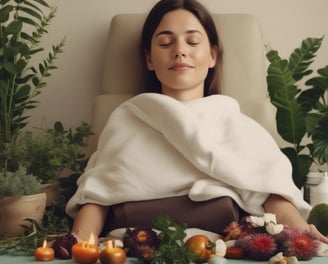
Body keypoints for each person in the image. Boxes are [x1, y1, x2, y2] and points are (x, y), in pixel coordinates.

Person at [66, 0, 328, 244]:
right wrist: (77, 242)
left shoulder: (239, 127)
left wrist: (301, 233)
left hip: (224, 249)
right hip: (130, 247)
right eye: (166, 43)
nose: (180, 51)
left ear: (212, 55)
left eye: (192, 41)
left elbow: (271, 192)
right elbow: (97, 195)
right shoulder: (126, 120)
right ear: (149, 59)